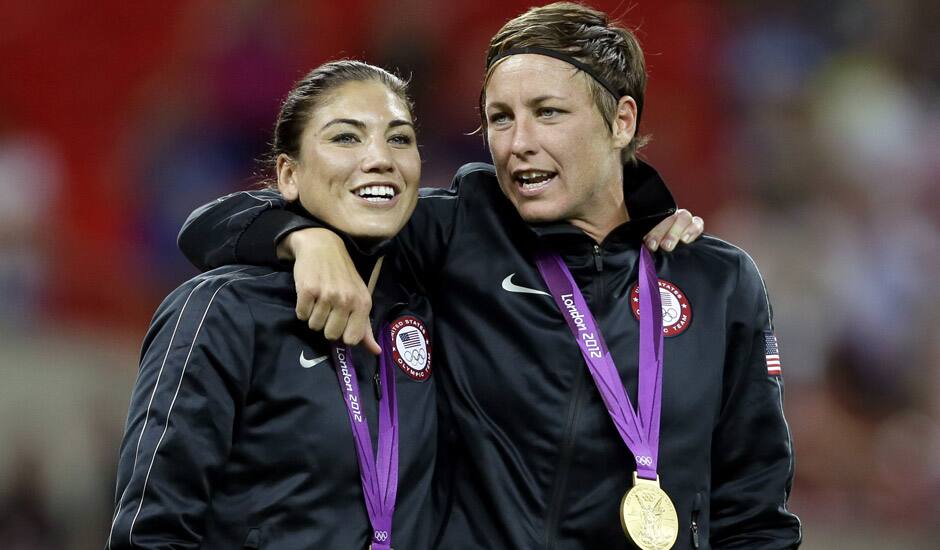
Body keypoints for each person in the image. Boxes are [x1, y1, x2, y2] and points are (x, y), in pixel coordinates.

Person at [176, 4, 795, 549]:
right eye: (499, 119)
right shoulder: (458, 235)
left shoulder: (718, 282)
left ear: (622, 121)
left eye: (547, 113)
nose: (517, 142)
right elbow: (208, 226)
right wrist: (305, 239)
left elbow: (754, 512)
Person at [107, 61, 443, 549]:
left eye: (400, 139)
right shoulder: (220, 310)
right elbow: (150, 533)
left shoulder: (427, 311)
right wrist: (303, 238)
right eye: (346, 138)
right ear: (288, 174)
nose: (380, 158)